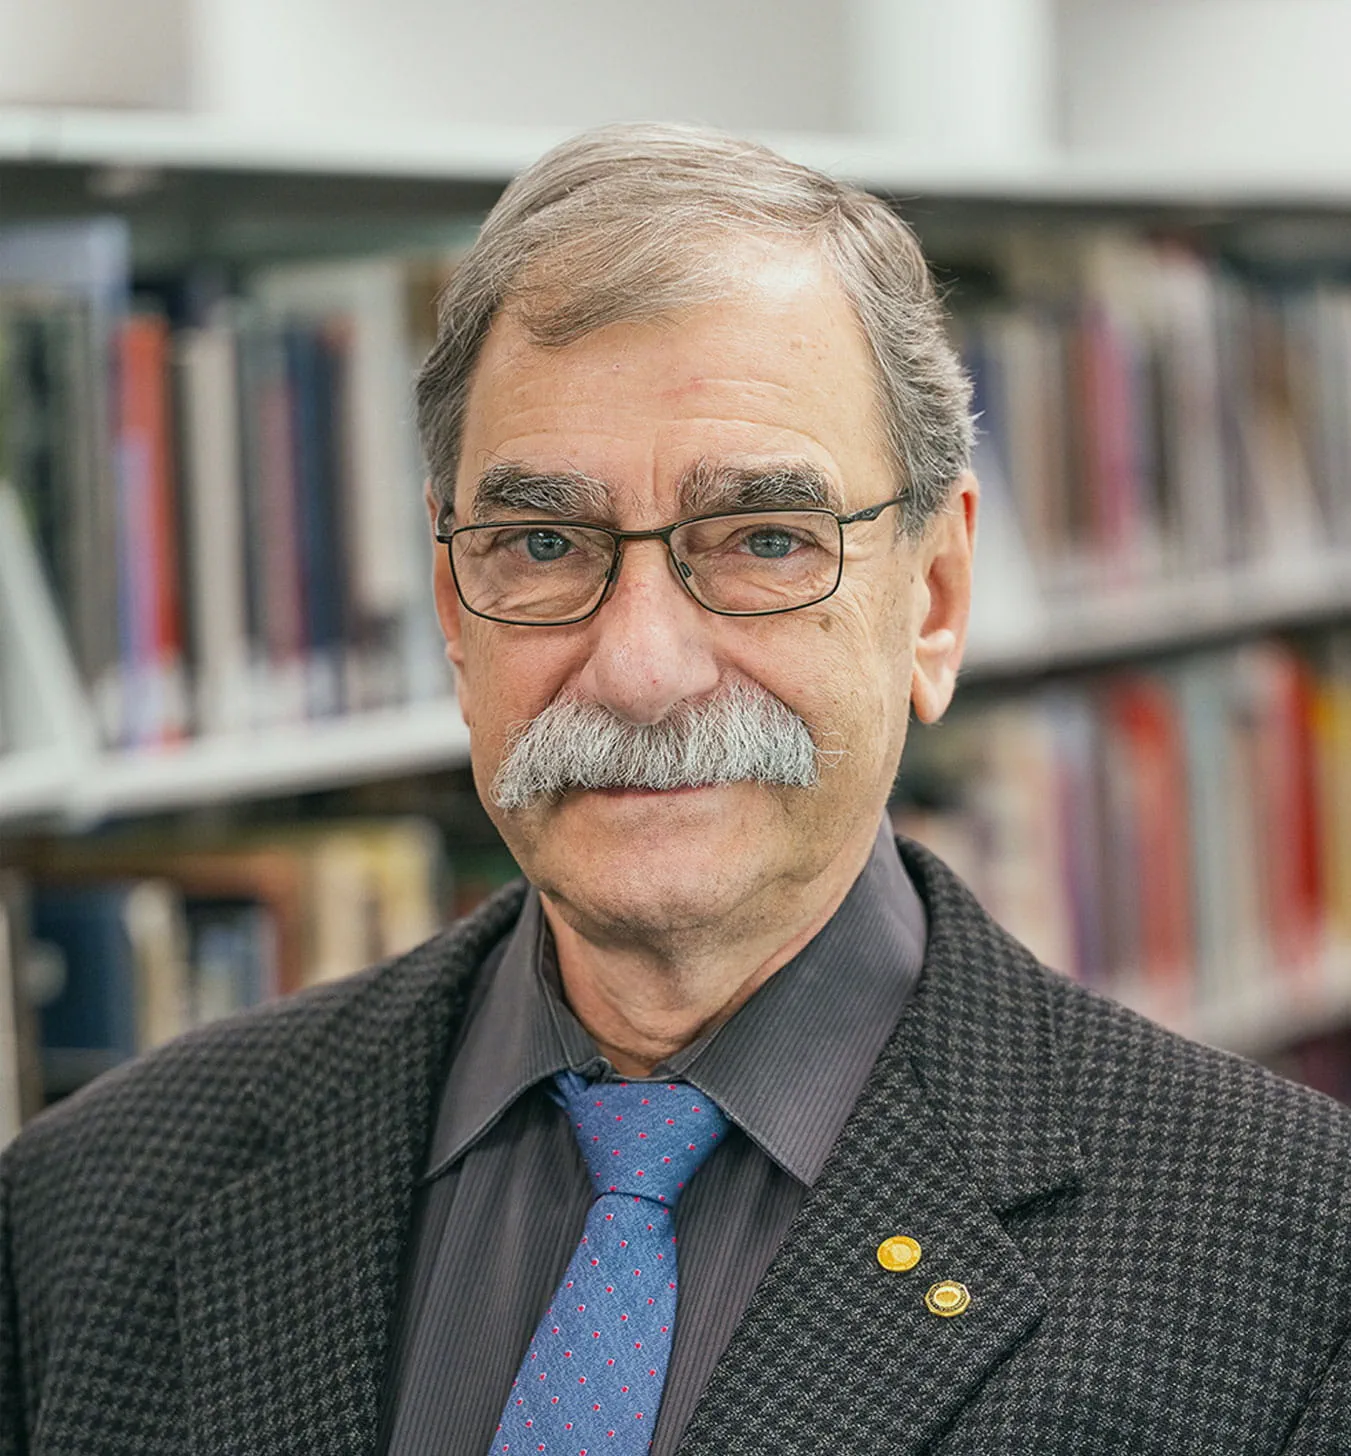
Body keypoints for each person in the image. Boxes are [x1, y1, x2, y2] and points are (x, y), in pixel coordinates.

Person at [3, 124, 1350, 1456]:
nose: (641, 668)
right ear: (452, 619)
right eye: (541, 542)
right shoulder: (89, 1208)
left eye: (764, 538)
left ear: (932, 600)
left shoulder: (1289, 1273)